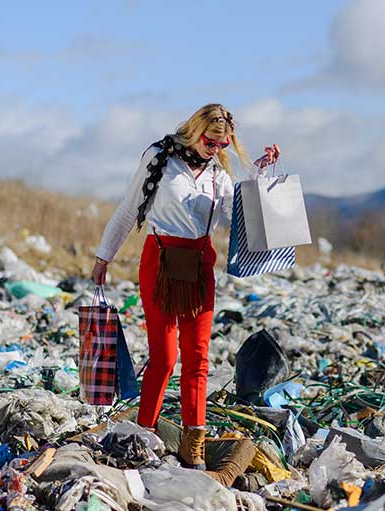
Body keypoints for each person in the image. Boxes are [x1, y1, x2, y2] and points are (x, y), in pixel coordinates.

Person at [91, 103, 279, 469]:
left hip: (199, 265)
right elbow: (129, 208)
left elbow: (235, 215)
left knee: (198, 357)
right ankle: (142, 433)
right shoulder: (159, 157)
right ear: (196, 132)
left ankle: (194, 440)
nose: (216, 150)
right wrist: (103, 258)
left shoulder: (217, 174)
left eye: (223, 145)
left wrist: (259, 174)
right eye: (212, 142)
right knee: (164, 356)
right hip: (158, 261)